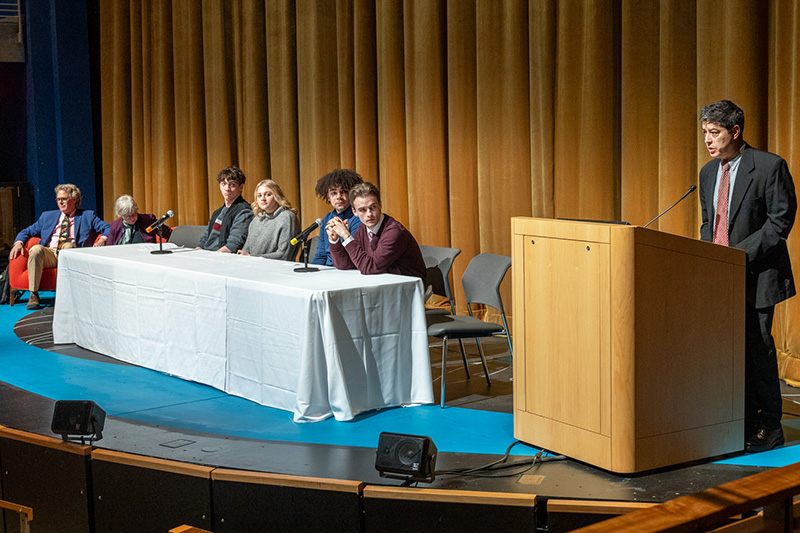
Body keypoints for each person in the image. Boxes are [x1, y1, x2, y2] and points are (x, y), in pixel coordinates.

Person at [698, 100, 797, 453]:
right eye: (705, 132)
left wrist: (738, 256)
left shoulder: (769, 166)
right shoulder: (707, 173)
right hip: (720, 275)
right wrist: (709, 257)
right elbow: (709, 221)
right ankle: (739, 418)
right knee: (727, 350)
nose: (708, 140)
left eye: (715, 132)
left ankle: (770, 425)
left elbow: (780, 221)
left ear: (735, 131)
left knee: (758, 348)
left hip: (758, 274)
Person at [8, 183, 110, 310]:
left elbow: (107, 228)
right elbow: (27, 231)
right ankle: (33, 294)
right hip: (50, 253)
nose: (60, 202)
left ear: (74, 199)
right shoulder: (47, 216)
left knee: (67, 246)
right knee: (36, 249)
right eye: (58, 199)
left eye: (64, 199)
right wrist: (18, 242)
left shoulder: (87, 216)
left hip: (71, 252)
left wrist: (102, 239)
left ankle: (69, 294)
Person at [327, 182, 425, 280]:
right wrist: (334, 240)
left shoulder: (394, 231)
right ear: (354, 212)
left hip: (407, 285)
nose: (369, 214)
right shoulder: (363, 228)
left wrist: (346, 236)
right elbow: (346, 265)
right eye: (362, 210)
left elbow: (370, 267)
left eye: (373, 207)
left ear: (380, 205)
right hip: (383, 282)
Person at [238, 179, 299, 260]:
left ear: (277, 196)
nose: (263, 198)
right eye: (259, 196)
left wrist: (252, 257)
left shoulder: (287, 217)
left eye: (268, 195)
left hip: (276, 267)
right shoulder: (256, 219)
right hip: (253, 265)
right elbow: (246, 249)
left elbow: (284, 255)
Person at [311, 169, 363, 265]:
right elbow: (321, 254)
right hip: (327, 269)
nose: (339, 196)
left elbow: (353, 255)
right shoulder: (327, 218)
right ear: (328, 197)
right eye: (334, 193)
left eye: (343, 191)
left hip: (347, 268)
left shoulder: (358, 218)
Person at [197, 166, 254, 253]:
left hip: (221, 258)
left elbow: (233, 245)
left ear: (241, 187)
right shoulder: (217, 212)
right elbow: (204, 239)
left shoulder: (244, 212)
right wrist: (197, 252)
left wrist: (210, 257)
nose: (227, 188)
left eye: (232, 185)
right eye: (224, 184)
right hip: (207, 255)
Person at [107, 194, 172, 245]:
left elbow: (169, 234)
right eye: (127, 216)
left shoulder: (148, 221)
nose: (132, 218)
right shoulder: (115, 226)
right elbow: (109, 248)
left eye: (134, 214)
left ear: (136, 210)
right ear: (121, 215)